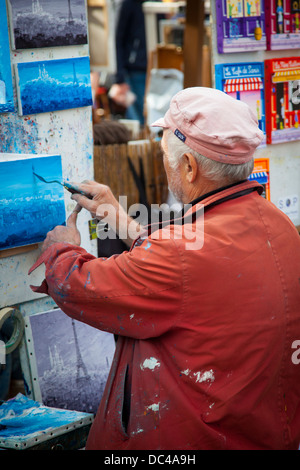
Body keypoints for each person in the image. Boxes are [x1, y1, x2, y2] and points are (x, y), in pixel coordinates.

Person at [29, 87, 300, 450]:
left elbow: (80, 286)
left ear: (189, 167)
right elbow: (184, 274)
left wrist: (61, 248)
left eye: (164, 155)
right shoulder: (280, 225)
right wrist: (121, 222)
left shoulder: (178, 254)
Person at [109, 0, 150, 125]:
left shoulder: (155, 3)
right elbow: (118, 39)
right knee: (138, 118)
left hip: (152, 69)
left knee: (149, 117)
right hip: (134, 70)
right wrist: (120, 77)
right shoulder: (128, 4)